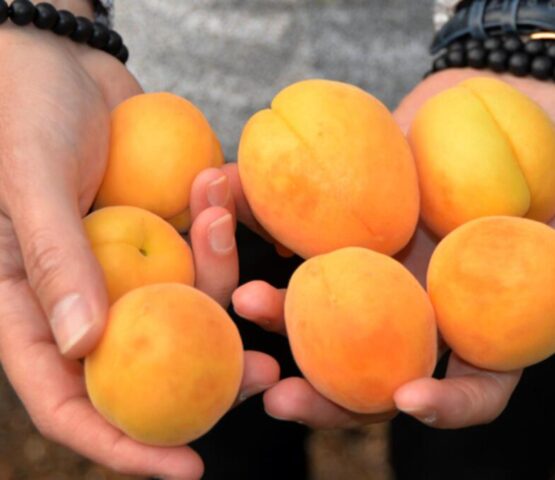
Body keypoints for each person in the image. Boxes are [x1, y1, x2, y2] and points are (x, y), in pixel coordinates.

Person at [0, 0, 553, 479]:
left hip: (441, 104)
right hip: (152, 115)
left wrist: (522, 29)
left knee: (475, 452)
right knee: (227, 429)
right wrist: (46, 23)